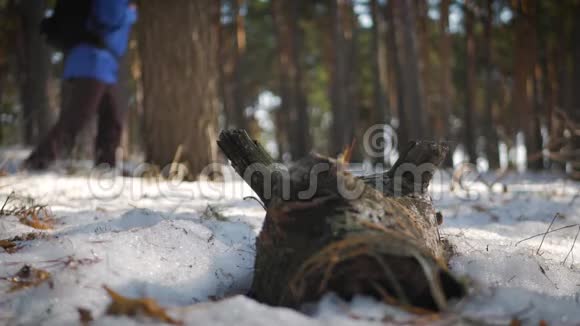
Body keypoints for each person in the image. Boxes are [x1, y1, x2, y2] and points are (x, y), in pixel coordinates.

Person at [24, 0, 137, 170]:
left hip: (103, 62)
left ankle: (106, 166)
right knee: (78, 116)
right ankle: (38, 161)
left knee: (112, 117)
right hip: (92, 60)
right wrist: (130, 12)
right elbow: (110, 17)